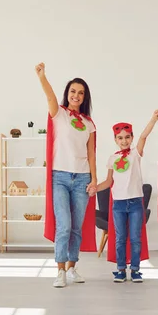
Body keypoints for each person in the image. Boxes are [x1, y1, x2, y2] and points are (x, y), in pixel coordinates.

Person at [36, 62, 98, 288]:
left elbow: (91, 153)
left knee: (76, 227)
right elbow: (50, 96)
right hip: (60, 178)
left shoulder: (88, 123)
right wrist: (43, 77)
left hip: (82, 178)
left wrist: (94, 178)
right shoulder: (58, 114)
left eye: (80, 93)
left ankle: (72, 267)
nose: (76, 96)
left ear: (84, 97)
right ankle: (60, 269)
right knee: (63, 224)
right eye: (73, 91)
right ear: (67, 93)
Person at [97, 111, 158, 283]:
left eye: (127, 137)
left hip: (135, 203)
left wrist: (153, 119)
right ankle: (120, 270)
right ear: (115, 140)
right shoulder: (112, 159)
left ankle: (135, 270)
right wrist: (94, 188)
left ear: (131, 138)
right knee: (119, 238)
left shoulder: (135, 155)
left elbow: (144, 137)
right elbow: (108, 181)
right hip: (118, 204)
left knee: (134, 238)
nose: (124, 140)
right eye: (120, 138)